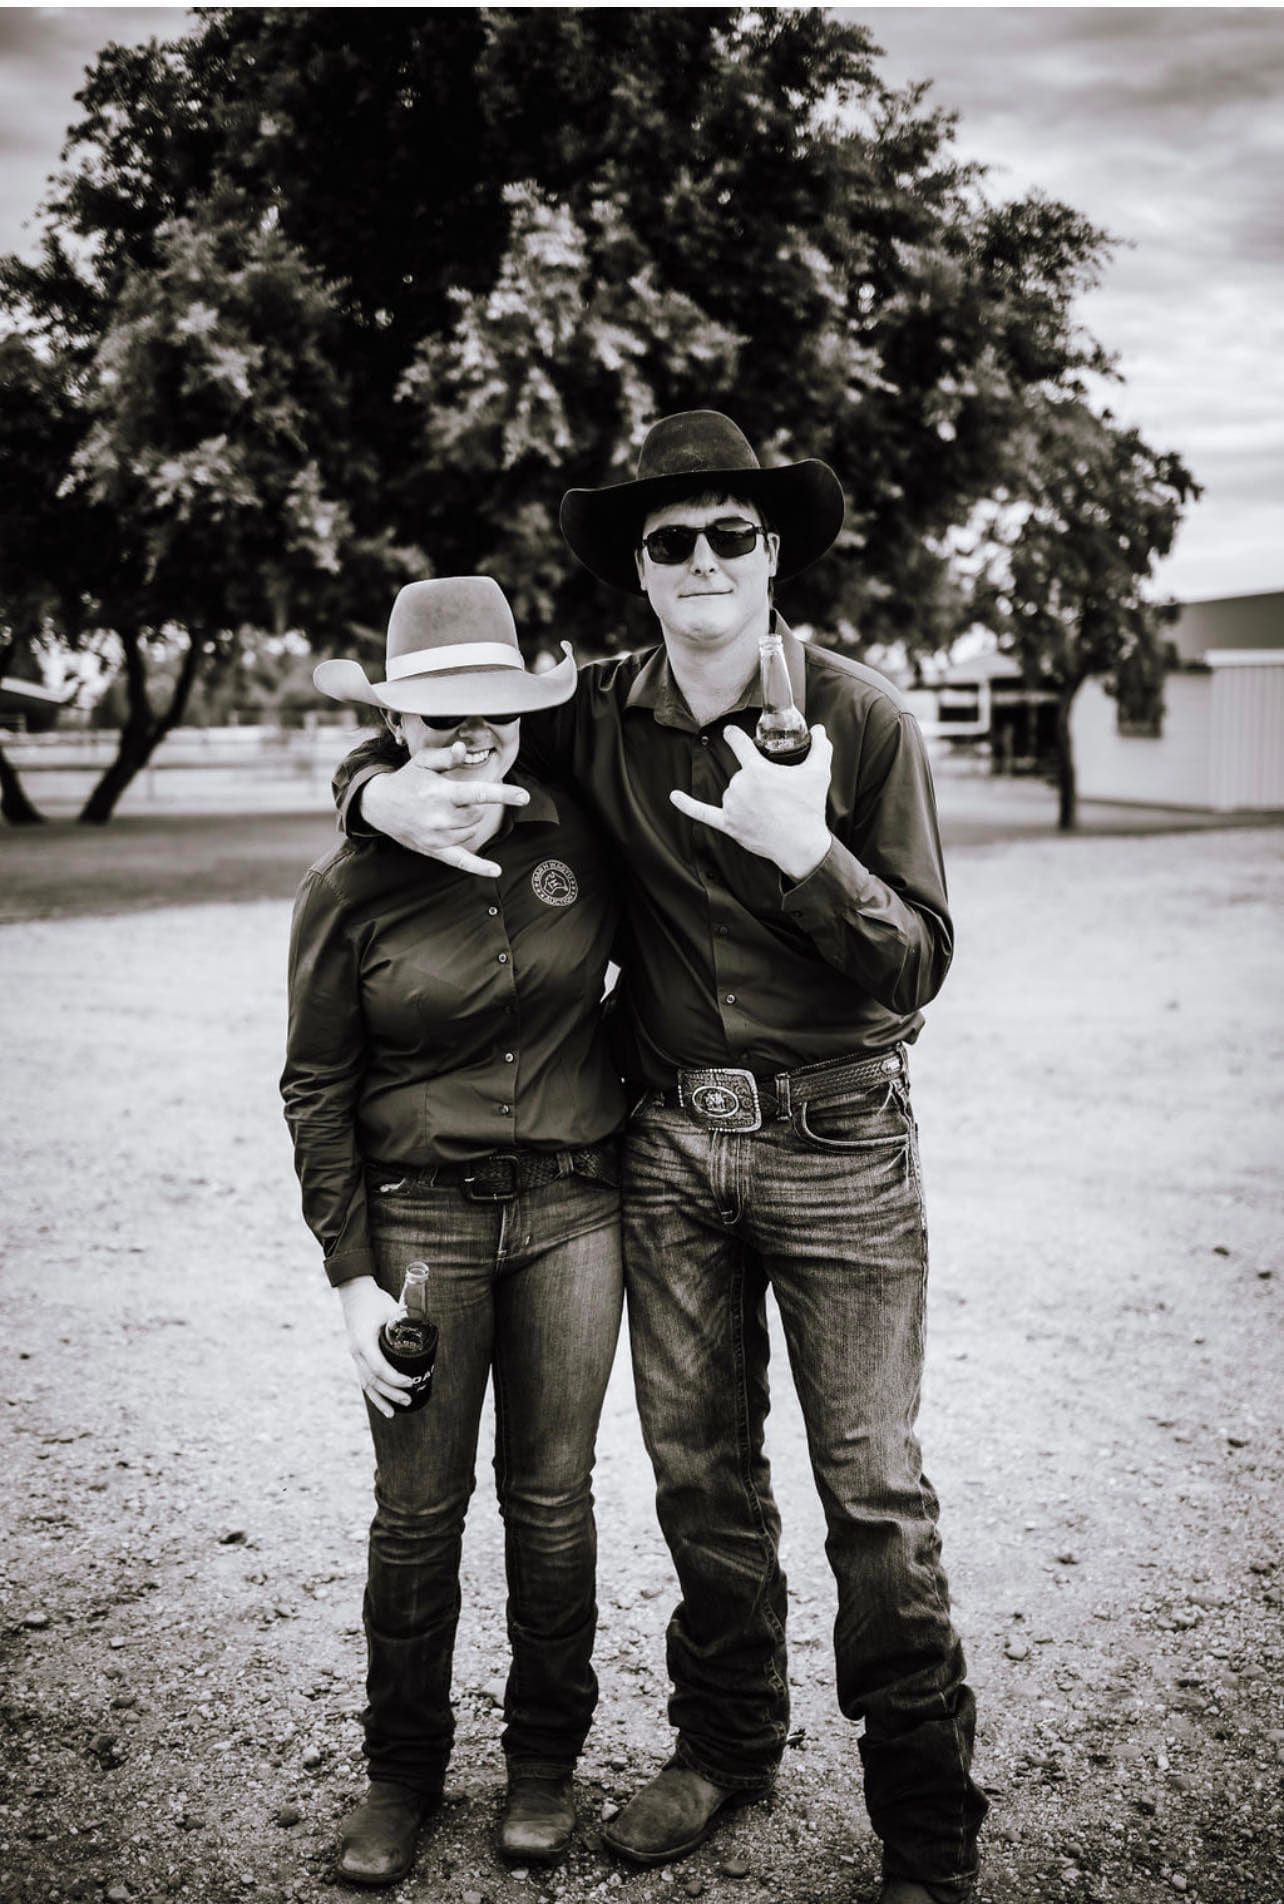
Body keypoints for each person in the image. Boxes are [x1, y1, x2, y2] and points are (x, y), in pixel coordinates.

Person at [333, 415, 989, 1903]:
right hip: (669, 1143)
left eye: (730, 535)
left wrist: (803, 848)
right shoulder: (594, 717)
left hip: (839, 1145)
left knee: (873, 1489)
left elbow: (919, 966)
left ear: (773, 555)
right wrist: (368, 794)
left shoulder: (863, 720)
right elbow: (450, 731)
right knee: (698, 1474)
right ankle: (727, 1746)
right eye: (670, 538)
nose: (702, 560)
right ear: (638, 567)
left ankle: (931, 1827)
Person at [281, 576, 626, 1888]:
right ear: (396, 722)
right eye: (436, 716)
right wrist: (351, 1279)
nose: (468, 736)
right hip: (421, 1227)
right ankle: (401, 1775)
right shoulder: (347, 890)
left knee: (552, 1504)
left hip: (574, 1219)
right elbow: (313, 1086)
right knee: (416, 1515)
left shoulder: (582, 835)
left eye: (491, 712)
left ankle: (542, 1766)